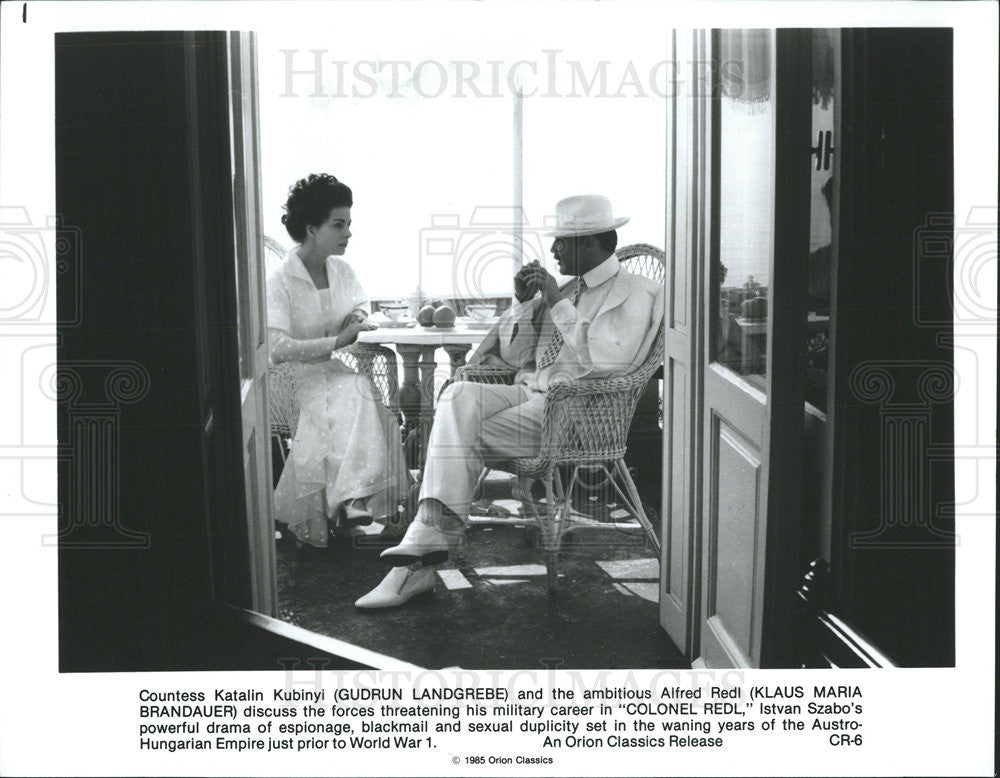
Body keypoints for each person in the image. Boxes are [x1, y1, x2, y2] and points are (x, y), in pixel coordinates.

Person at [356, 194, 664, 608]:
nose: (553, 249)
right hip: (529, 395)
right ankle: (424, 547)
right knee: (460, 394)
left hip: (574, 412)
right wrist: (523, 304)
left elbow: (608, 360)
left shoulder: (637, 291)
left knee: (456, 436)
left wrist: (556, 303)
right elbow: (517, 356)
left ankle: (417, 561)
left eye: (562, 242)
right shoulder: (567, 290)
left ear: (589, 243)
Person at [267, 174, 409, 548]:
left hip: (334, 371)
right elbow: (276, 347)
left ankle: (351, 501)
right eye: (338, 224)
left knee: (361, 393)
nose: (348, 233)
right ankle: (353, 497)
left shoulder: (342, 270)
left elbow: (361, 303)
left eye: (348, 224)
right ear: (312, 228)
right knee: (360, 390)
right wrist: (337, 339)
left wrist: (356, 319)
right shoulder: (280, 280)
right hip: (291, 380)